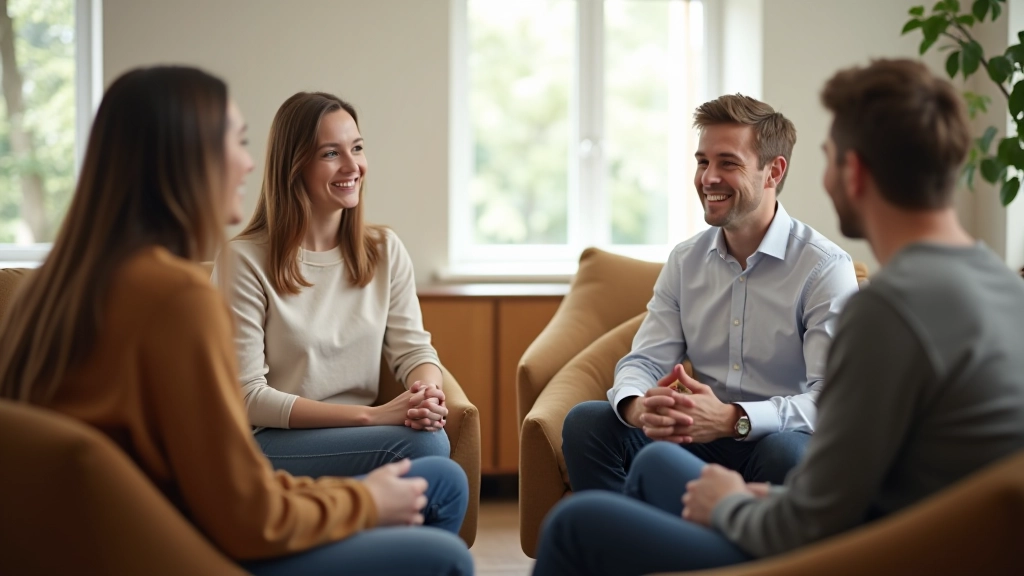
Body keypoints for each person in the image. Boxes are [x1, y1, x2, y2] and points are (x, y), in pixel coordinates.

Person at [532, 58, 1024, 576]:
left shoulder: (886, 310)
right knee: (651, 458)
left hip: (860, 552)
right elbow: (861, 483)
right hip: (914, 534)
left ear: (853, 172)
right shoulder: (1003, 287)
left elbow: (818, 517)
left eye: (829, 157)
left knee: (575, 523)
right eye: (703, 161)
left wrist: (730, 503)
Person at [0, 66, 472, 575]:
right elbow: (244, 507)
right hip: (187, 547)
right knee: (445, 549)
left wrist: (406, 418)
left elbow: (216, 480)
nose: (249, 164)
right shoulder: (178, 298)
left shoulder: (51, 293)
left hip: (132, 537)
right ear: (184, 159)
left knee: (441, 477)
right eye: (236, 142)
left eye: (356, 148)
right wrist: (365, 501)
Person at [561, 93, 859, 495]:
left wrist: (733, 418)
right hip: (697, 437)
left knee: (787, 453)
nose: (708, 178)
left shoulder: (824, 267)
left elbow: (833, 401)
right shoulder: (686, 261)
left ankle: (729, 533)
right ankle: (623, 532)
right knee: (588, 423)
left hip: (777, 440)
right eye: (703, 162)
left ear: (773, 171)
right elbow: (645, 360)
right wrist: (639, 407)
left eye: (728, 163)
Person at [212, 93, 461, 521]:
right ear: (294, 166)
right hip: (271, 439)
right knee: (427, 449)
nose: (352, 166)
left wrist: (426, 394)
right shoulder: (245, 259)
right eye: (331, 153)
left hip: (359, 435)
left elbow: (414, 350)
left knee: (440, 462)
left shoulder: (384, 250)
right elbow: (247, 397)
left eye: (357, 148)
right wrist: (373, 417)